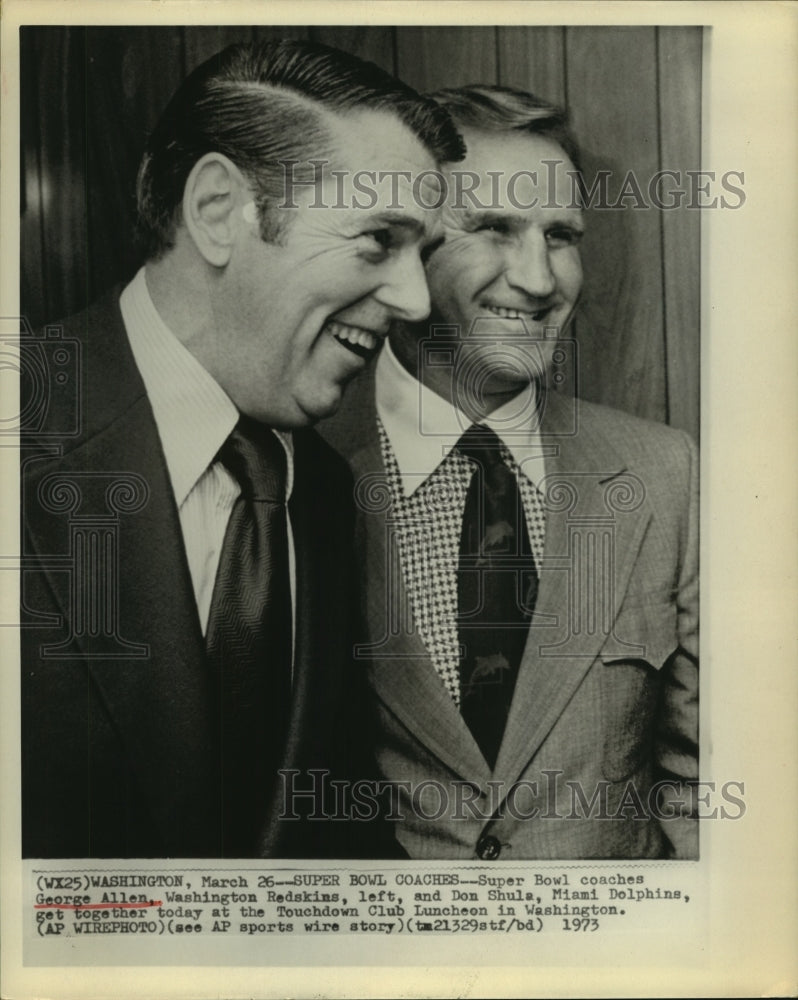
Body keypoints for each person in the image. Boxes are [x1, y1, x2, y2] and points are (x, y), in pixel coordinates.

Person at [20, 39, 464, 858]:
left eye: (423, 255)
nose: (413, 298)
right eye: (378, 241)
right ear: (220, 211)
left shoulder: (323, 492)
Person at [326, 84, 699, 860]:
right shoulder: (302, 465)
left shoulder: (666, 474)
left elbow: (706, 787)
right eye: (493, 228)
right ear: (404, 245)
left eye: (560, 235)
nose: (538, 279)